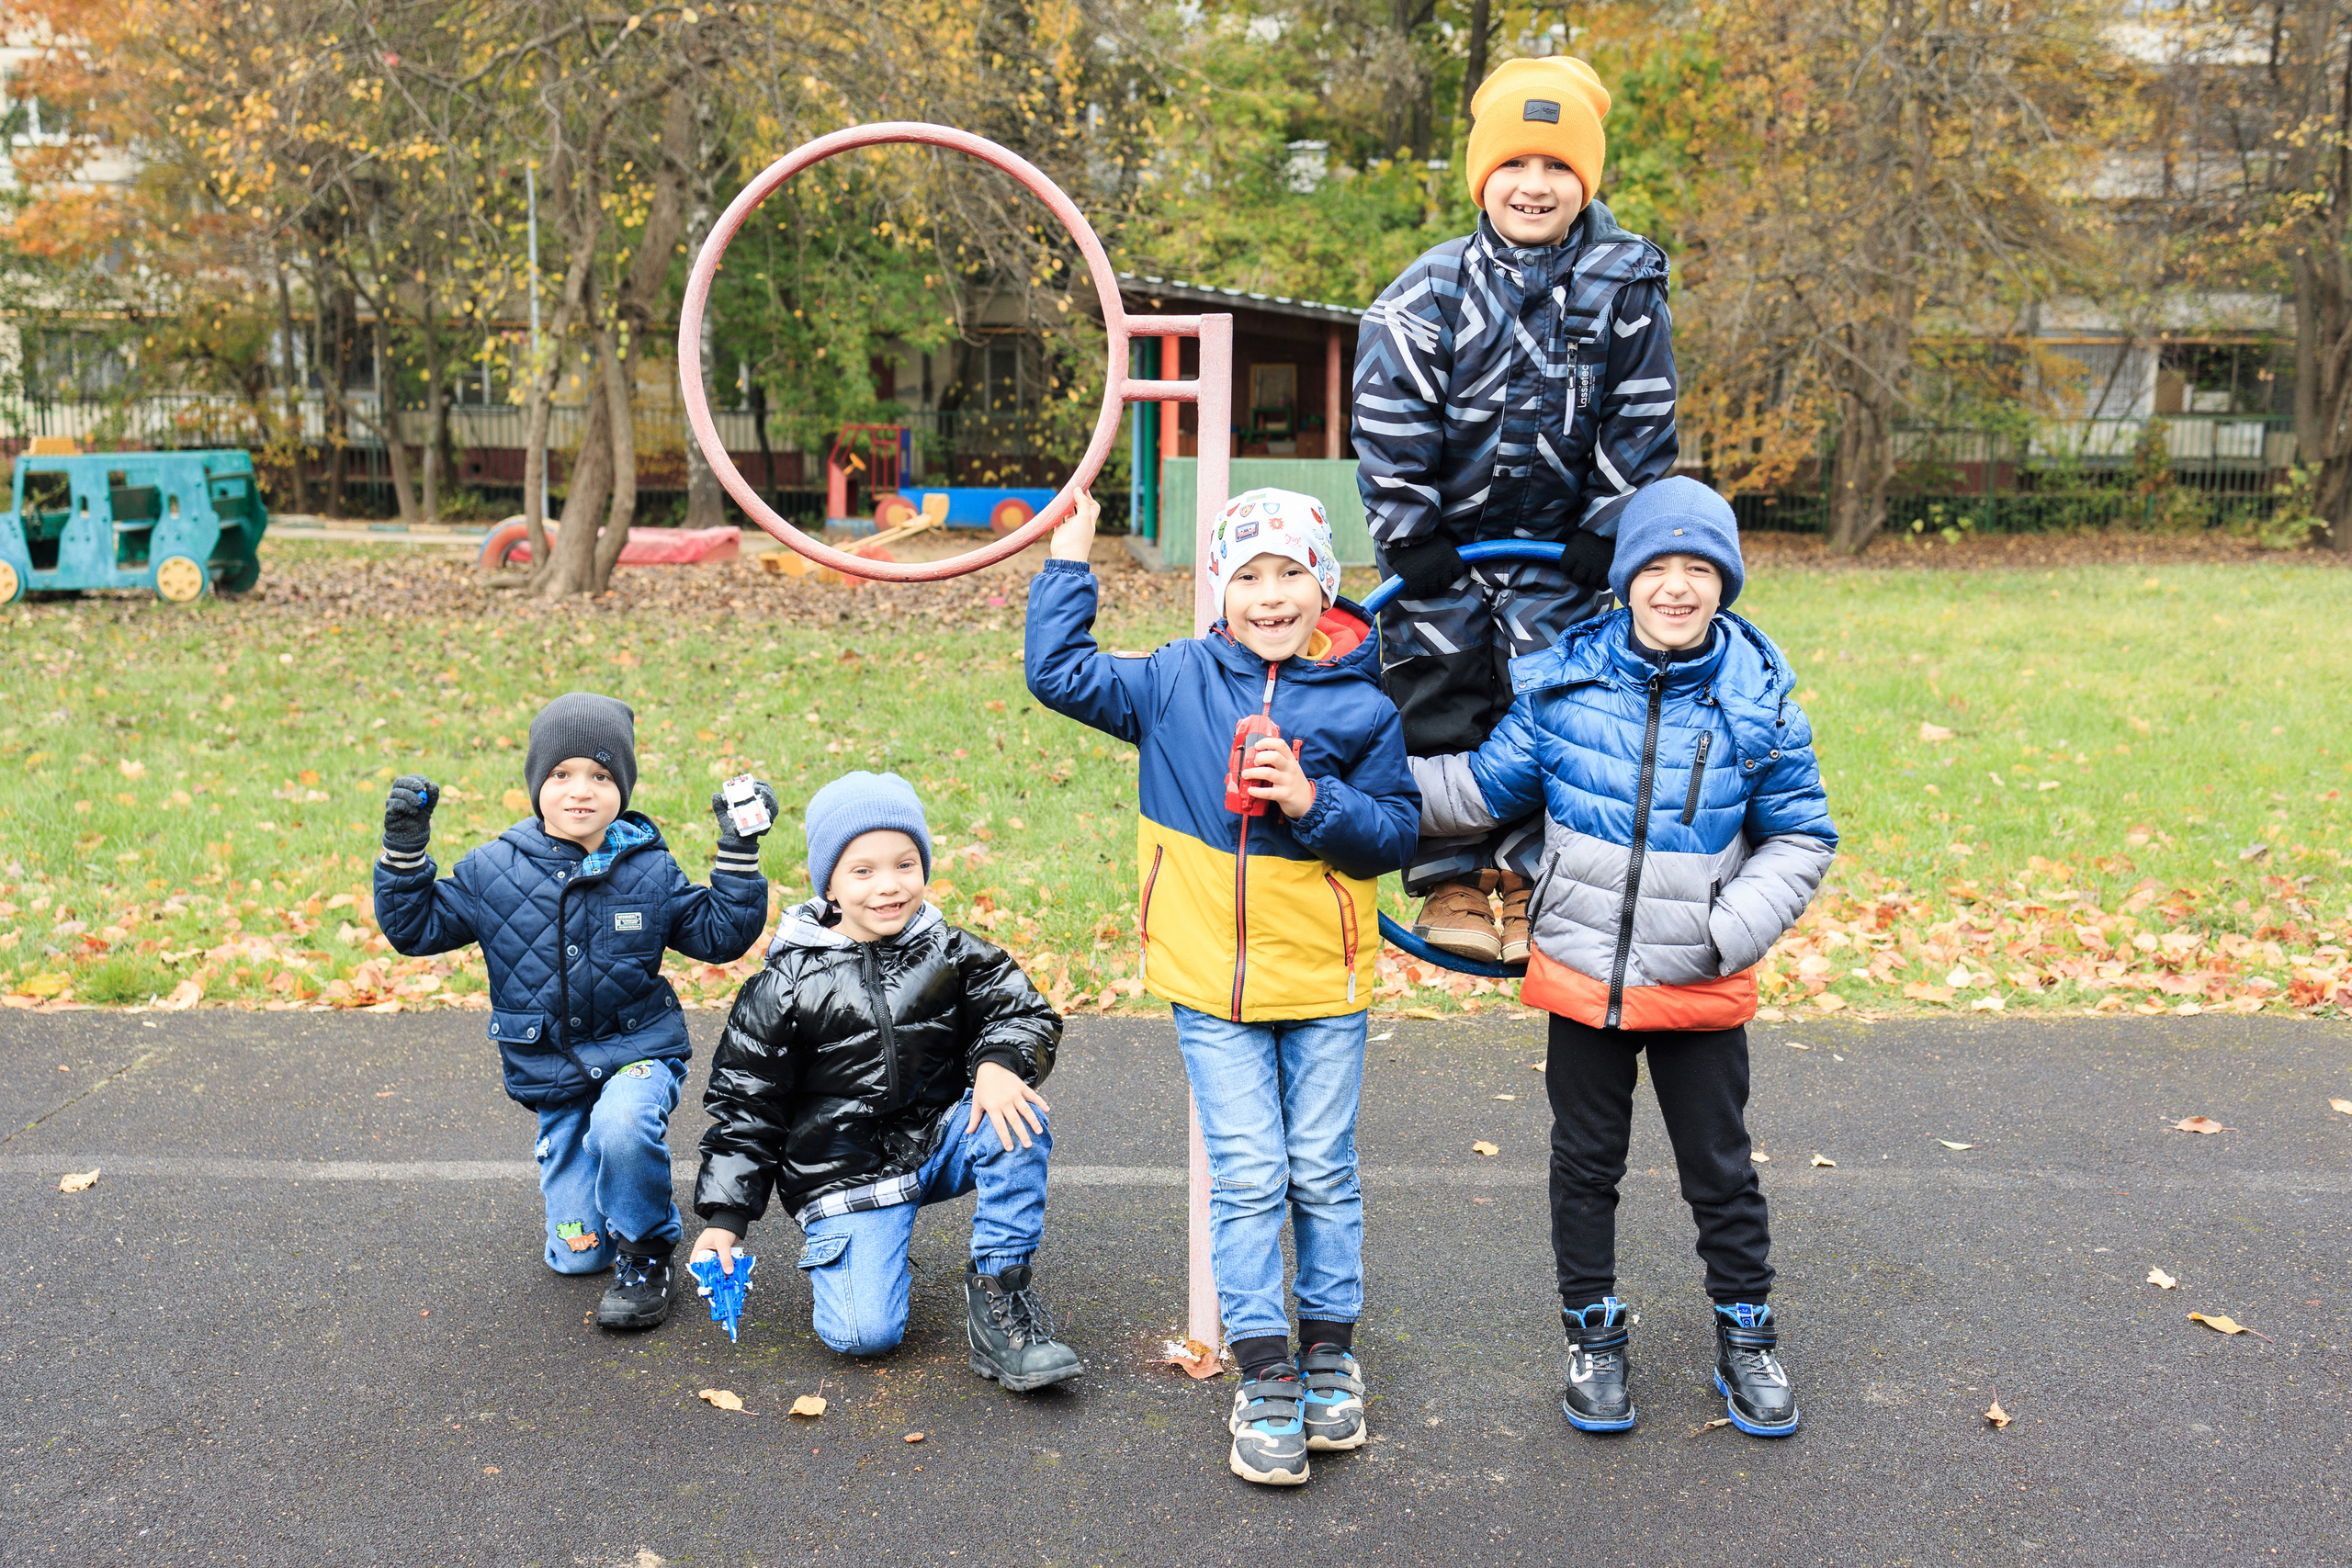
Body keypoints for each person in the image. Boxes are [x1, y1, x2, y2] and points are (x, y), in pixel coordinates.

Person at [1408, 479, 1835, 1438]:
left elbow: (1802, 835)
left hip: (1697, 978)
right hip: (1582, 975)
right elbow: (1477, 791)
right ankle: (1593, 1338)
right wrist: (1339, 783)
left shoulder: (1757, 700)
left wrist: (1729, 928)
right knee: (1584, 1164)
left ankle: (1747, 1333)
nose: (1676, 586)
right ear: (1626, 578)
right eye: (1657, 566)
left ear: (1724, 583)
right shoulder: (1567, 684)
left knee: (1719, 1167)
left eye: (1699, 569)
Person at [1026, 487, 1419, 1486]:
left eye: (1291, 573)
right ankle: (1265, 1370)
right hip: (1212, 983)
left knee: (1320, 1170)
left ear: (1325, 585)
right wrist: (1071, 556)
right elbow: (1057, 672)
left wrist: (1312, 800)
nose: (1270, 594)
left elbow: (1394, 835)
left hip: (1324, 981)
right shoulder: (1175, 681)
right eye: (1248, 575)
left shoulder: (1363, 706)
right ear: (1219, 589)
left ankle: (1329, 1352)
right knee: (1248, 1176)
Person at [1353, 54, 1679, 966]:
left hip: (1559, 552)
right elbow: (1388, 419)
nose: (1535, 185)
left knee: (1555, 701)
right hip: (1444, 552)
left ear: (1587, 180)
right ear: (1481, 176)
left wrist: (1606, 531)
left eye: (1558, 167)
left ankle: (1536, 876)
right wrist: (1411, 534)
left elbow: (1641, 415)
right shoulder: (1426, 294)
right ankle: (1451, 875)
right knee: (1439, 691)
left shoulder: (1624, 288)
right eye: (1514, 164)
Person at [374, 692, 773, 1330]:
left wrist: (739, 849)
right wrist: (404, 849)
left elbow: (720, 934)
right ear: (537, 782)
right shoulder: (492, 870)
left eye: (601, 776)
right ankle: (595, 1187)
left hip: (639, 1050)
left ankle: (647, 1246)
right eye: (561, 774)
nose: (580, 790)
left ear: (623, 788)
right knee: (578, 1255)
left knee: (622, 1122)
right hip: (554, 1072)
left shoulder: (650, 868)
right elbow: (415, 927)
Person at [689, 771, 1084, 1392]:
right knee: (863, 1336)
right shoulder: (785, 983)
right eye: (863, 871)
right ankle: (874, 1248)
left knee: (1018, 1116)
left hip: (938, 1140)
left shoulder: (949, 951)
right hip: (844, 1173)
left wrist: (998, 1064)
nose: (889, 885)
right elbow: (747, 1103)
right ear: (829, 884)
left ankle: (1001, 1296)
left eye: (905, 864)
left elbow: (1023, 1012)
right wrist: (725, 1217)